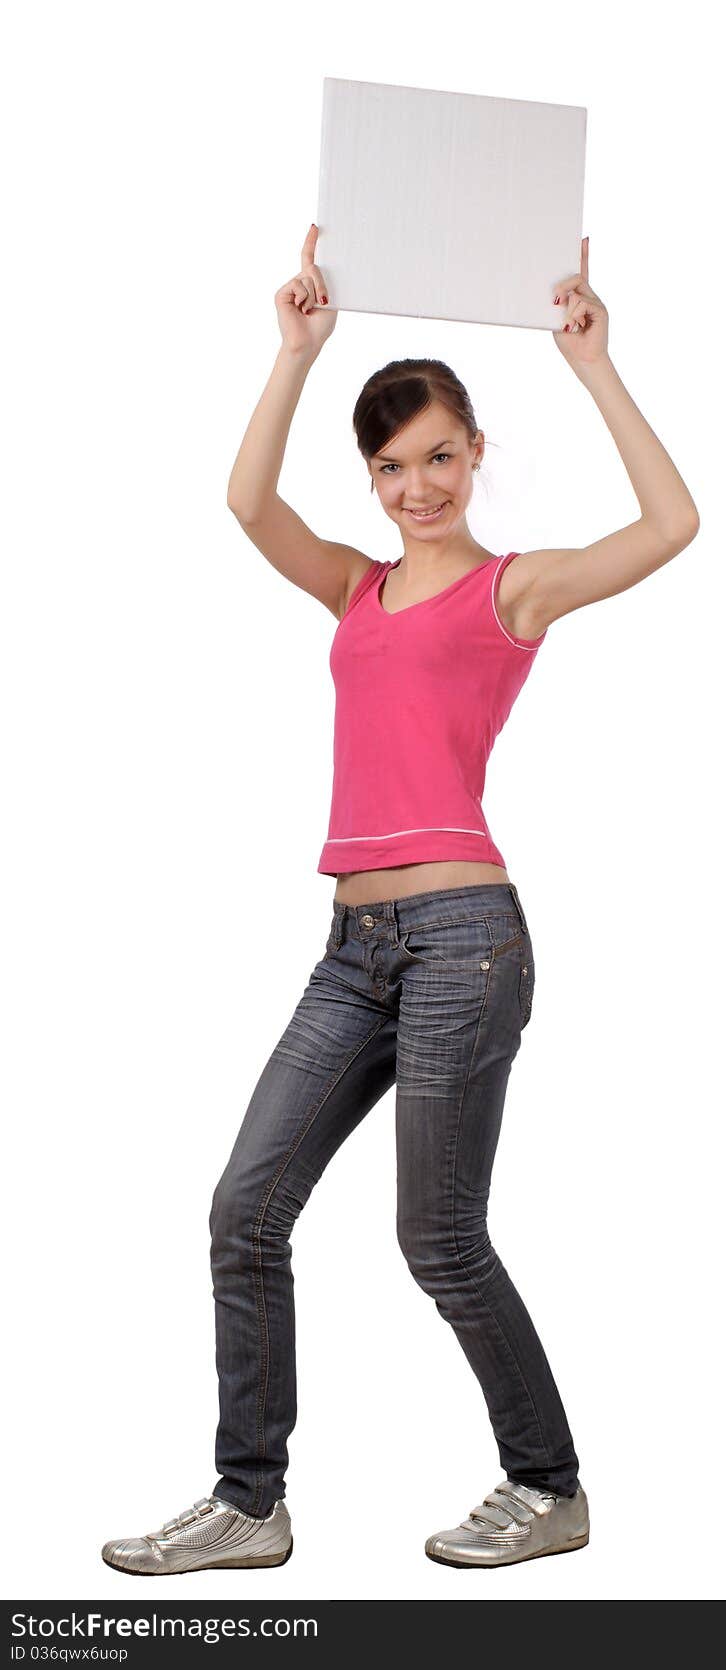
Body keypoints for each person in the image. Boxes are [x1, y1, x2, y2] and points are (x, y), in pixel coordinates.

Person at [102, 225, 699, 1575]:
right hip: (349, 947)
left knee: (436, 1237)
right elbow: (249, 505)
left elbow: (672, 526)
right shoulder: (357, 590)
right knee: (243, 1208)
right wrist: (295, 351)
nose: (415, 485)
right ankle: (249, 1505)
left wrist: (594, 366)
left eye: (437, 455)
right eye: (389, 466)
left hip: (462, 944)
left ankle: (547, 1486)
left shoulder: (512, 590)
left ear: (476, 450)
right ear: (370, 480)